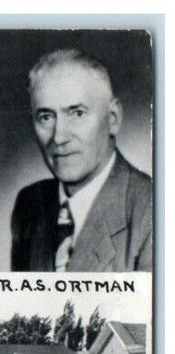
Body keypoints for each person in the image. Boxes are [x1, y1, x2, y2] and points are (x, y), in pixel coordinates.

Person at [10, 49, 152, 272]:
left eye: (77, 113)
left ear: (113, 119)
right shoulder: (28, 206)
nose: (59, 137)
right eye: (46, 117)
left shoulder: (154, 211)